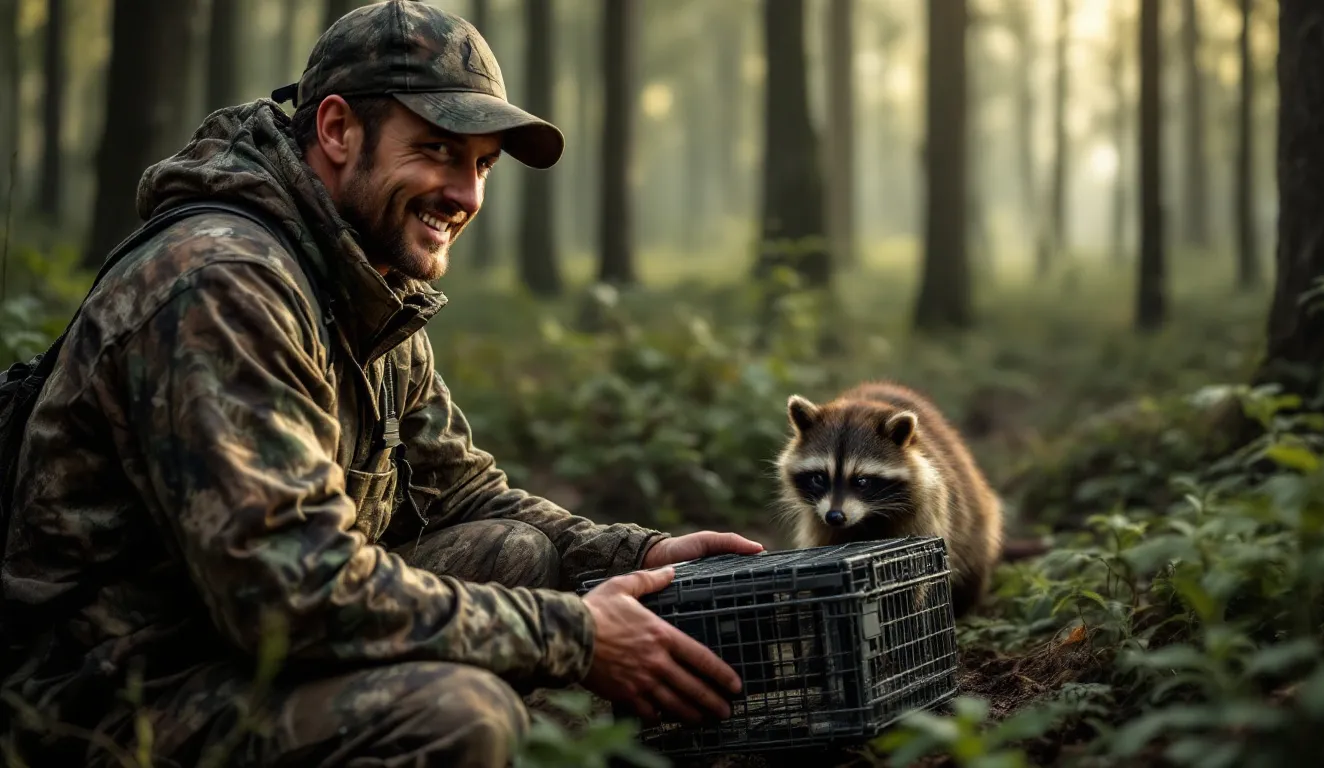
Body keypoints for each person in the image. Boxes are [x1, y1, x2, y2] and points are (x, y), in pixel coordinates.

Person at [0, 2, 764, 766]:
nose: (465, 195)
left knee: (519, 551)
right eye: (436, 150)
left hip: (222, 642)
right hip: (110, 698)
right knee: (458, 716)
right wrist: (577, 636)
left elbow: (462, 495)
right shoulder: (221, 284)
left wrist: (638, 554)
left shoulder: (361, 281)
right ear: (336, 130)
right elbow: (290, 596)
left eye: (482, 165)